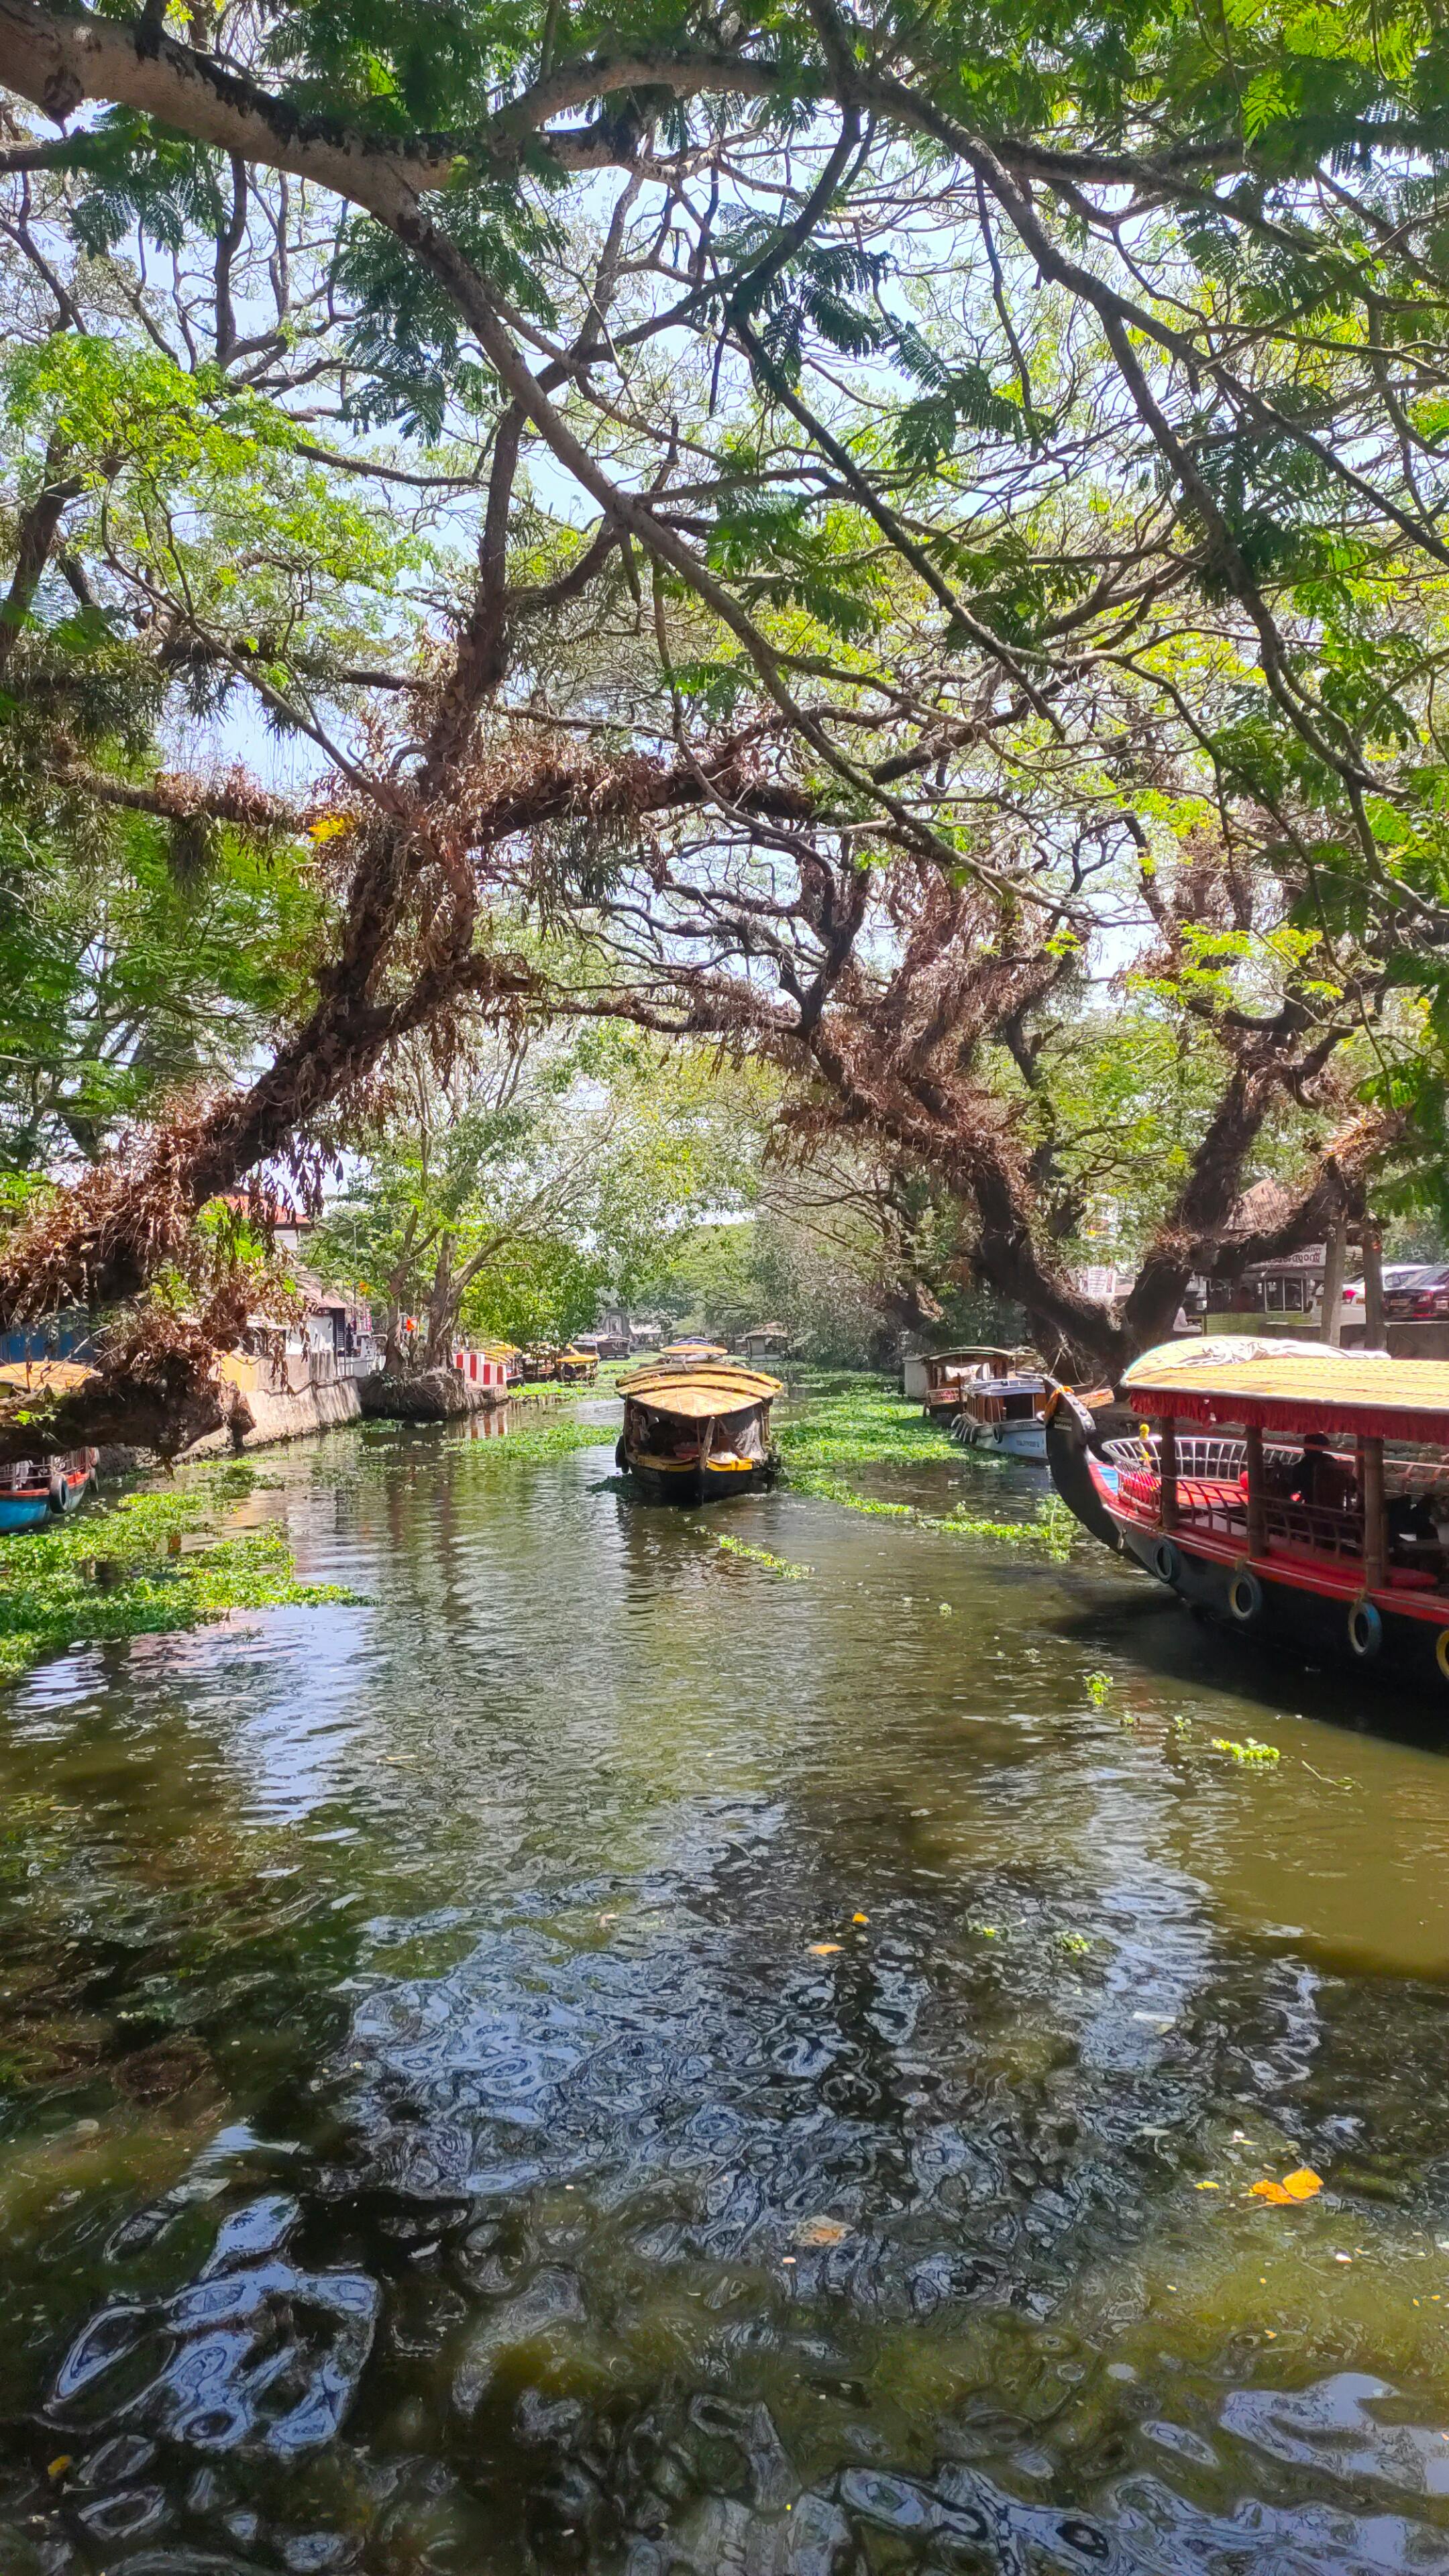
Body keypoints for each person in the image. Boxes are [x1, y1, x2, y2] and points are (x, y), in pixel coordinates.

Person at [1288, 1433, 1357, 1512]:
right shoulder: (1332, 1462)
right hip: (1337, 1510)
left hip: (1311, 1512)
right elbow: (1353, 1485)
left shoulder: (1303, 1466)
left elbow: (1295, 1490)